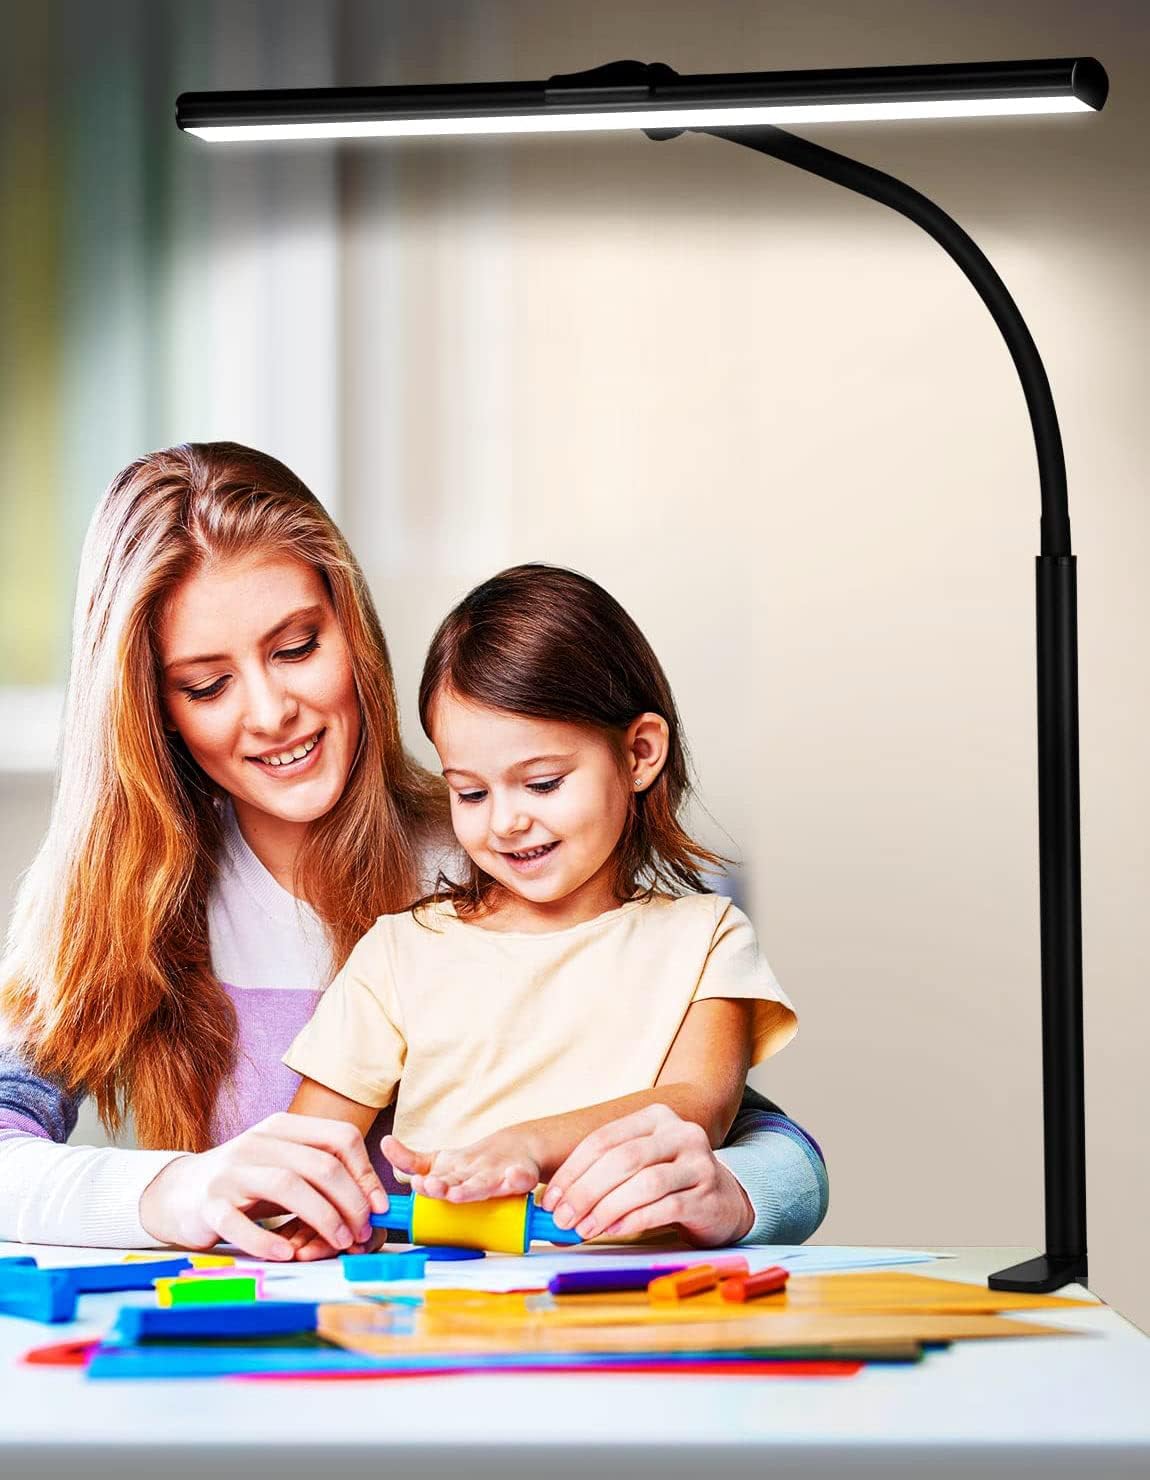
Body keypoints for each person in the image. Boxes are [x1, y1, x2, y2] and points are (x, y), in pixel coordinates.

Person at [0, 442, 827, 1258]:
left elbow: (740, 1133)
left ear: (351, 630)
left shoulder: (499, 861)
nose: (272, 711)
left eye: (297, 647)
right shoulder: (117, 901)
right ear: (153, 709)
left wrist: (734, 1193)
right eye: (207, 685)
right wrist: (177, 1191)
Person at [283, 564, 802, 1256]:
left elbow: (697, 1108)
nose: (505, 822)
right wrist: (313, 1217)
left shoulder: (707, 940)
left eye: (543, 783)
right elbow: (308, 1154)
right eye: (471, 793)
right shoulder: (400, 952)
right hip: (445, 1302)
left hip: (636, 1299)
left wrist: (526, 1146)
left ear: (640, 753)